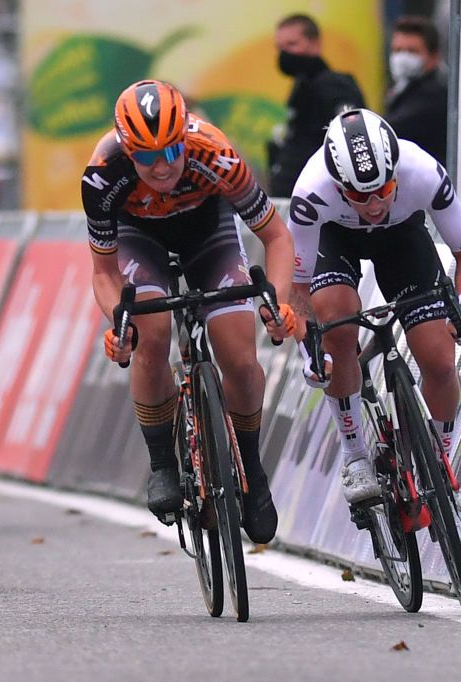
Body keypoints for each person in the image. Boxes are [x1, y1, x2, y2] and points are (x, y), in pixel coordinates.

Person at [85, 79, 296, 543]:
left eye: (170, 151)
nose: (160, 167)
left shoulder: (215, 153)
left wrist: (277, 301)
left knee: (239, 357)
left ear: (185, 136)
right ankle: (162, 461)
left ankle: (252, 469)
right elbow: (104, 274)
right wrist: (119, 324)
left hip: (207, 233)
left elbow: (277, 237)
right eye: (145, 156)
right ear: (126, 150)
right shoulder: (102, 173)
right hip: (140, 237)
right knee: (151, 334)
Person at [287, 108, 461, 545]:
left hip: (402, 240)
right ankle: (355, 454)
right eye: (360, 196)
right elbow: (296, 292)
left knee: (439, 358)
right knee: (336, 325)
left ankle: (443, 471)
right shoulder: (311, 192)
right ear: (338, 186)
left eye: (384, 190)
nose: (374, 205)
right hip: (334, 240)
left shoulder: (422, 171)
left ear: (396, 172)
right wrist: (312, 354)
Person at [268, 13, 366, 197]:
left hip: (321, 198)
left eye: (292, 44)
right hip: (294, 195)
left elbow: (353, 139)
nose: (284, 53)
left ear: (315, 43)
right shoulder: (303, 86)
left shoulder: (334, 86)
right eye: (280, 47)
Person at [385, 15, 449, 167]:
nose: (403, 58)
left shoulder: (434, 95)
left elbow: (390, 130)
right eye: (398, 50)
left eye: (412, 51)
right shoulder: (402, 91)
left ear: (434, 57)